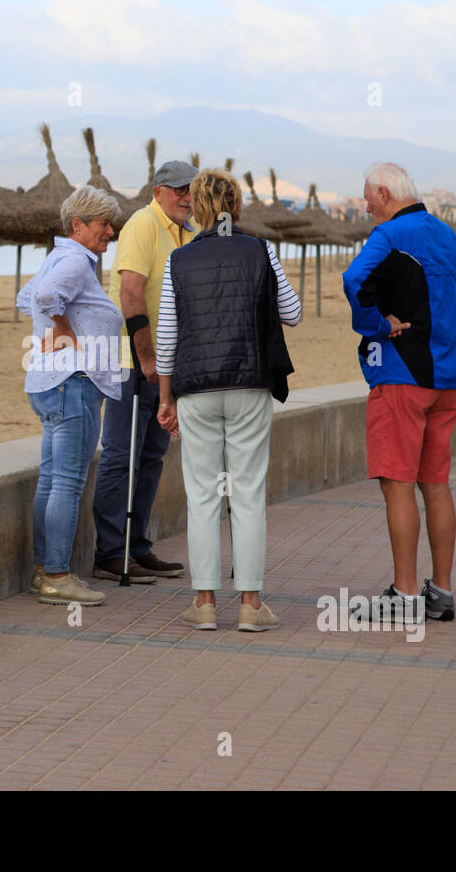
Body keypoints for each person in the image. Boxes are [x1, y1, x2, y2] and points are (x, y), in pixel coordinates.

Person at [156, 169, 300, 631]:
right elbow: (292, 313)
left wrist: (166, 399)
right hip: (249, 383)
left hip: (195, 387)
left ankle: (203, 604)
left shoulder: (179, 261)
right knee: (248, 493)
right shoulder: (261, 251)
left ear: (195, 208)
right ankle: (251, 606)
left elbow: (166, 340)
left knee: (201, 496)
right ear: (236, 206)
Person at [342, 163, 456, 624]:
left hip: (402, 376)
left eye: (367, 198)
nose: (365, 207)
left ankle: (403, 596)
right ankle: (440, 591)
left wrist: (379, 325)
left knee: (397, 482)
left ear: (384, 193)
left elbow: (354, 281)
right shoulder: (442, 231)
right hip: (448, 377)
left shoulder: (390, 235)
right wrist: (445, 313)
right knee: (436, 483)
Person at [89, 159, 198, 583]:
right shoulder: (142, 224)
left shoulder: (187, 232)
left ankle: (138, 547)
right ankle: (109, 553)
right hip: (130, 364)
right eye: (178, 189)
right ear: (158, 192)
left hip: (165, 367)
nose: (187, 195)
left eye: (191, 188)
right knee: (120, 455)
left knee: (153, 454)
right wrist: (146, 357)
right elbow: (131, 292)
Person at [16, 185, 124, 605]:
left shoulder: (59, 257)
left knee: (52, 480)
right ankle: (58, 576)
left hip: (48, 382)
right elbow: (42, 298)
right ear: (77, 225)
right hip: (73, 382)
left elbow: (26, 297)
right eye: (103, 224)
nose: (110, 232)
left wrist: (56, 323)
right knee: (67, 481)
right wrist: (61, 327)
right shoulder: (77, 259)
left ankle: (45, 570)